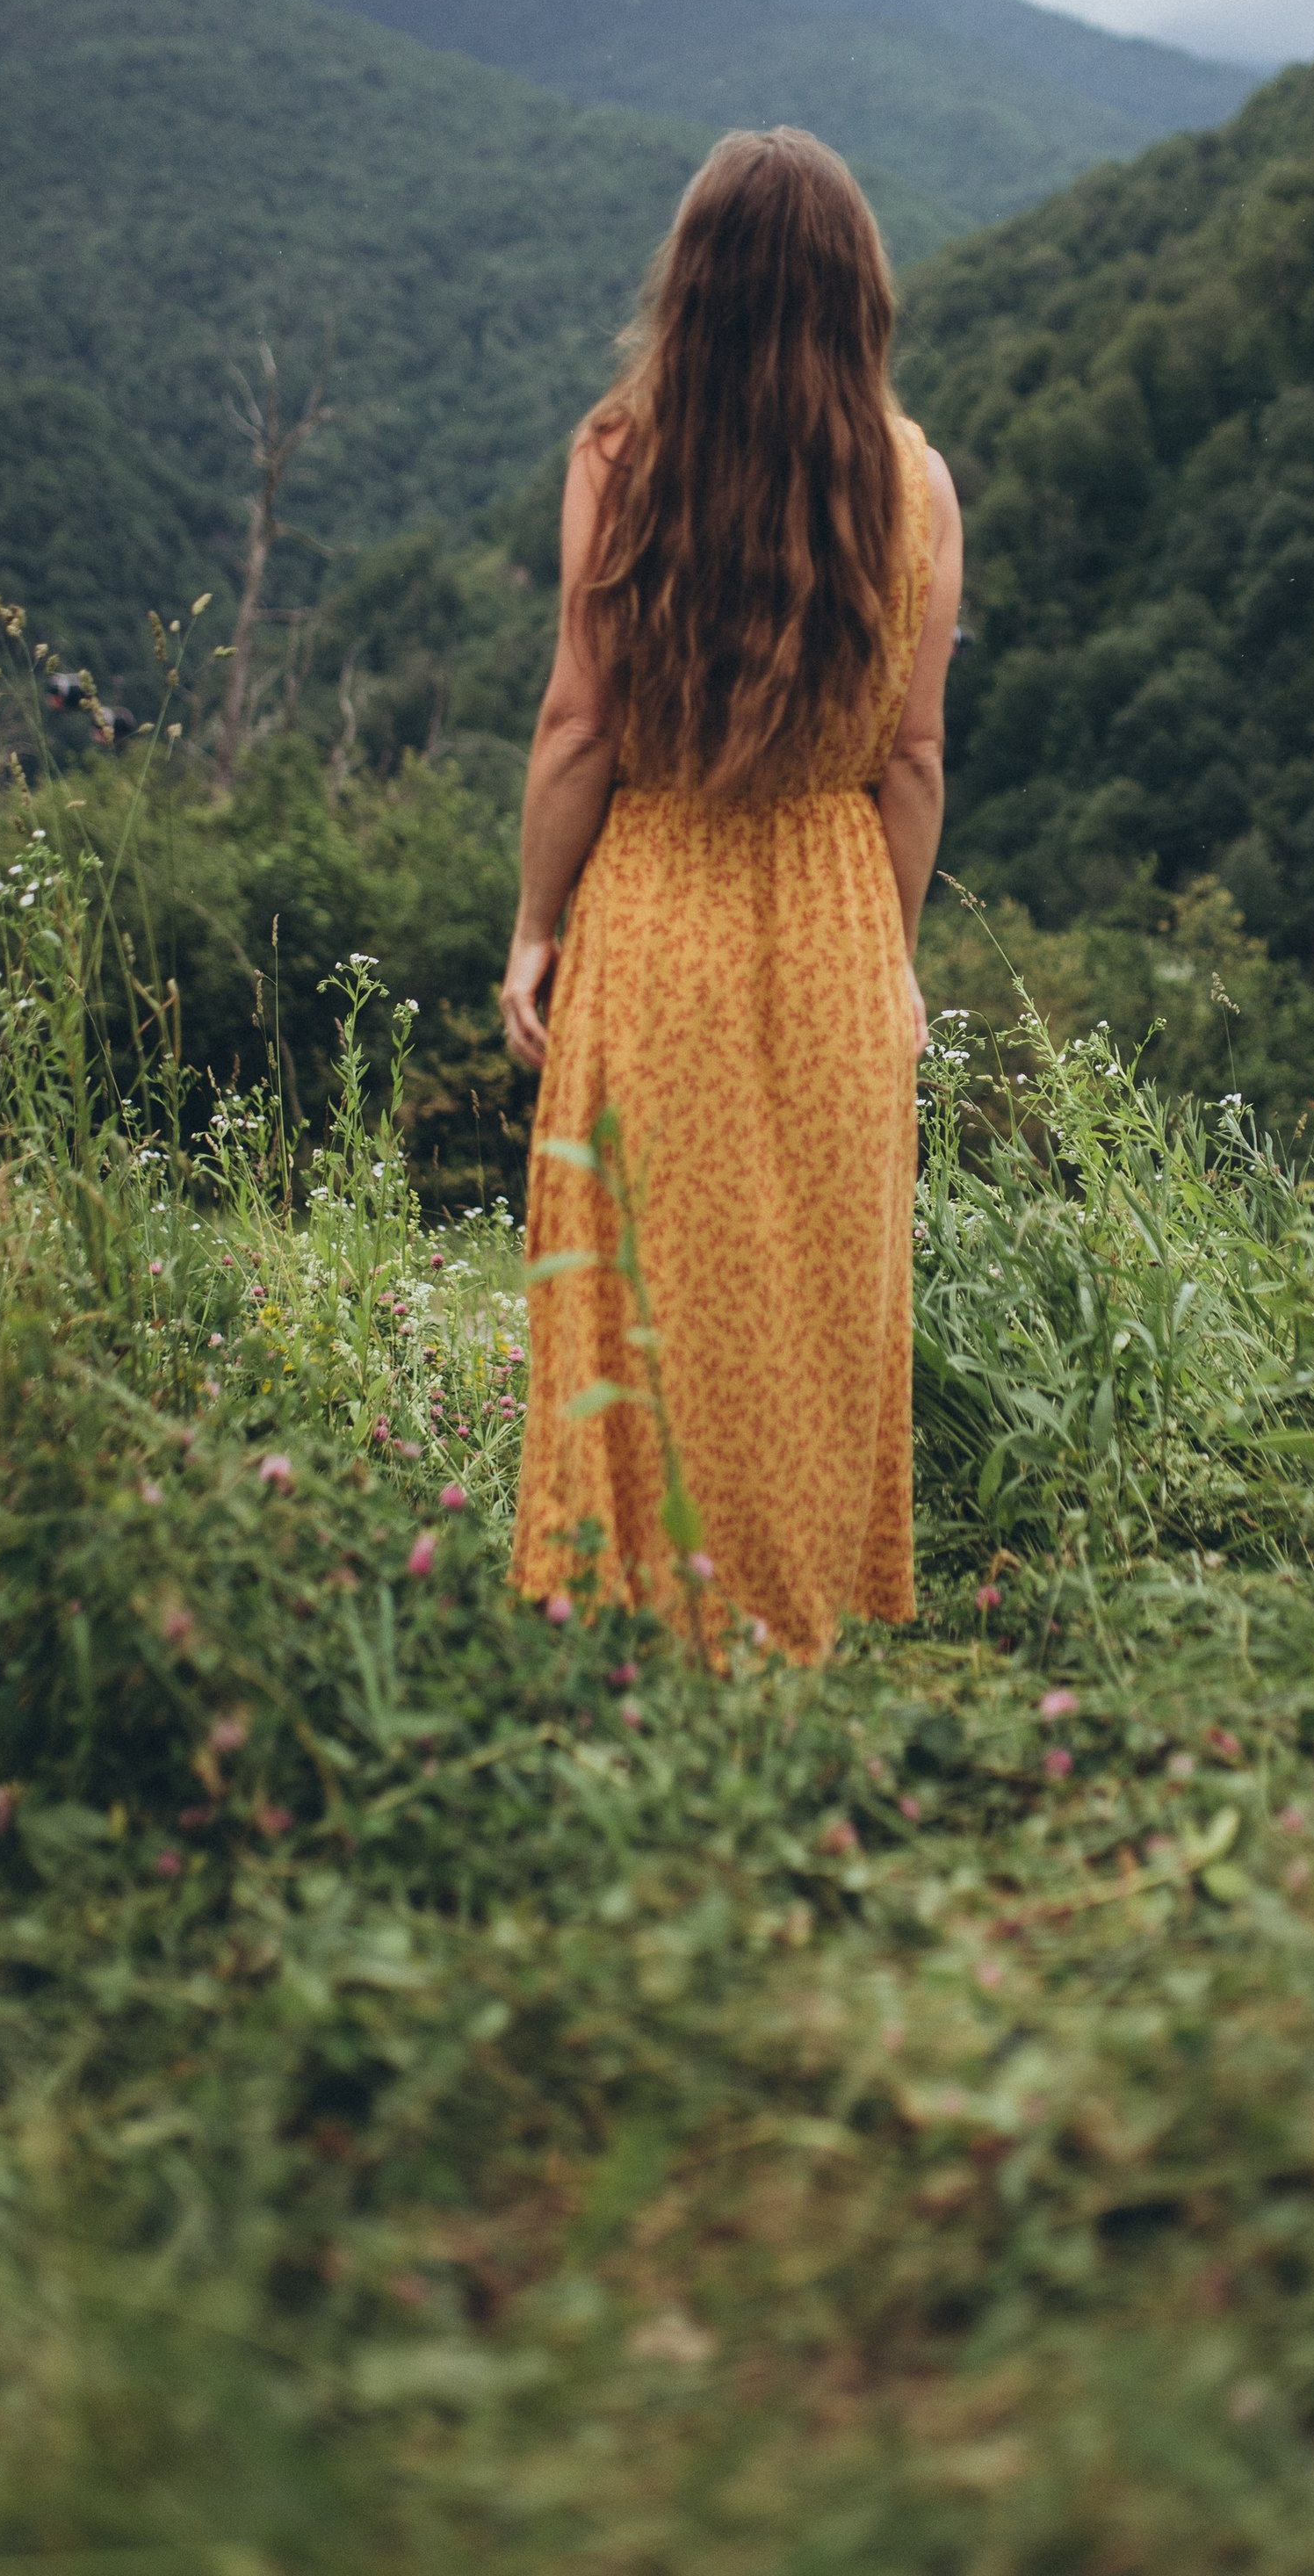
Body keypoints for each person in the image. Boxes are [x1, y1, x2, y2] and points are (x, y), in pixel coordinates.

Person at [499, 127, 964, 1664]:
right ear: (859, 295)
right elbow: (912, 759)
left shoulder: (622, 457)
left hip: (664, 898)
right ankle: (800, 1607)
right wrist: (890, 955)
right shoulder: (915, 484)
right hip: (833, 907)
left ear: (688, 287)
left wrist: (535, 926)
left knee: (650, 1276)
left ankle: (632, 1606)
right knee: (822, 1294)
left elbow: (579, 721)